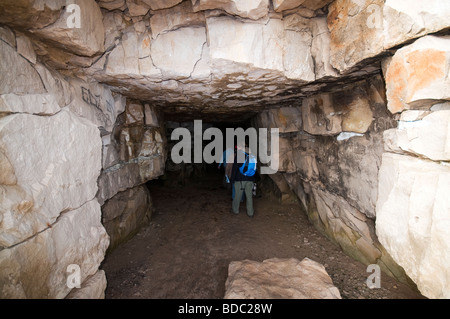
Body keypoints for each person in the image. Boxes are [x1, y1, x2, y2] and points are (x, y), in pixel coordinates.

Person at [230, 143, 256, 218]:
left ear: (241, 147)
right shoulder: (252, 154)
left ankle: (235, 210)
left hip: (240, 179)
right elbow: (254, 168)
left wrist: (232, 180)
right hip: (250, 179)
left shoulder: (239, 155)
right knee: (249, 196)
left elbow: (234, 169)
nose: (237, 148)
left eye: (237, 146)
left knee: (238, 195)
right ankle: (250, 212)